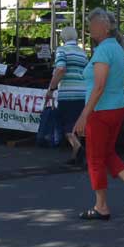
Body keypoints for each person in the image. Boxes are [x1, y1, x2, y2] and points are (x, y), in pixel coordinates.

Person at [72, 8, 124, 220]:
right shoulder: (116, 48)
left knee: (95, 158)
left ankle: (101, 206)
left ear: (104, 27)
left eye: (92, 25)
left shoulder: (104, 50)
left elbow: (99, 87)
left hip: (101, 111)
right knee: (107, 154)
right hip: (116, 107)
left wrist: (83, 115)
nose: (89, 29)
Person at [45, 26, 89, 165]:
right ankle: (75, 156)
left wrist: (51, 88)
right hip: (82, 93)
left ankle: (77, 147)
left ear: (63, 38)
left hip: (68, 92)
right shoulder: (82, 52)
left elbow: (61, 68)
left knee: (67, 125)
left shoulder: (61, 50)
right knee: (78, 125)